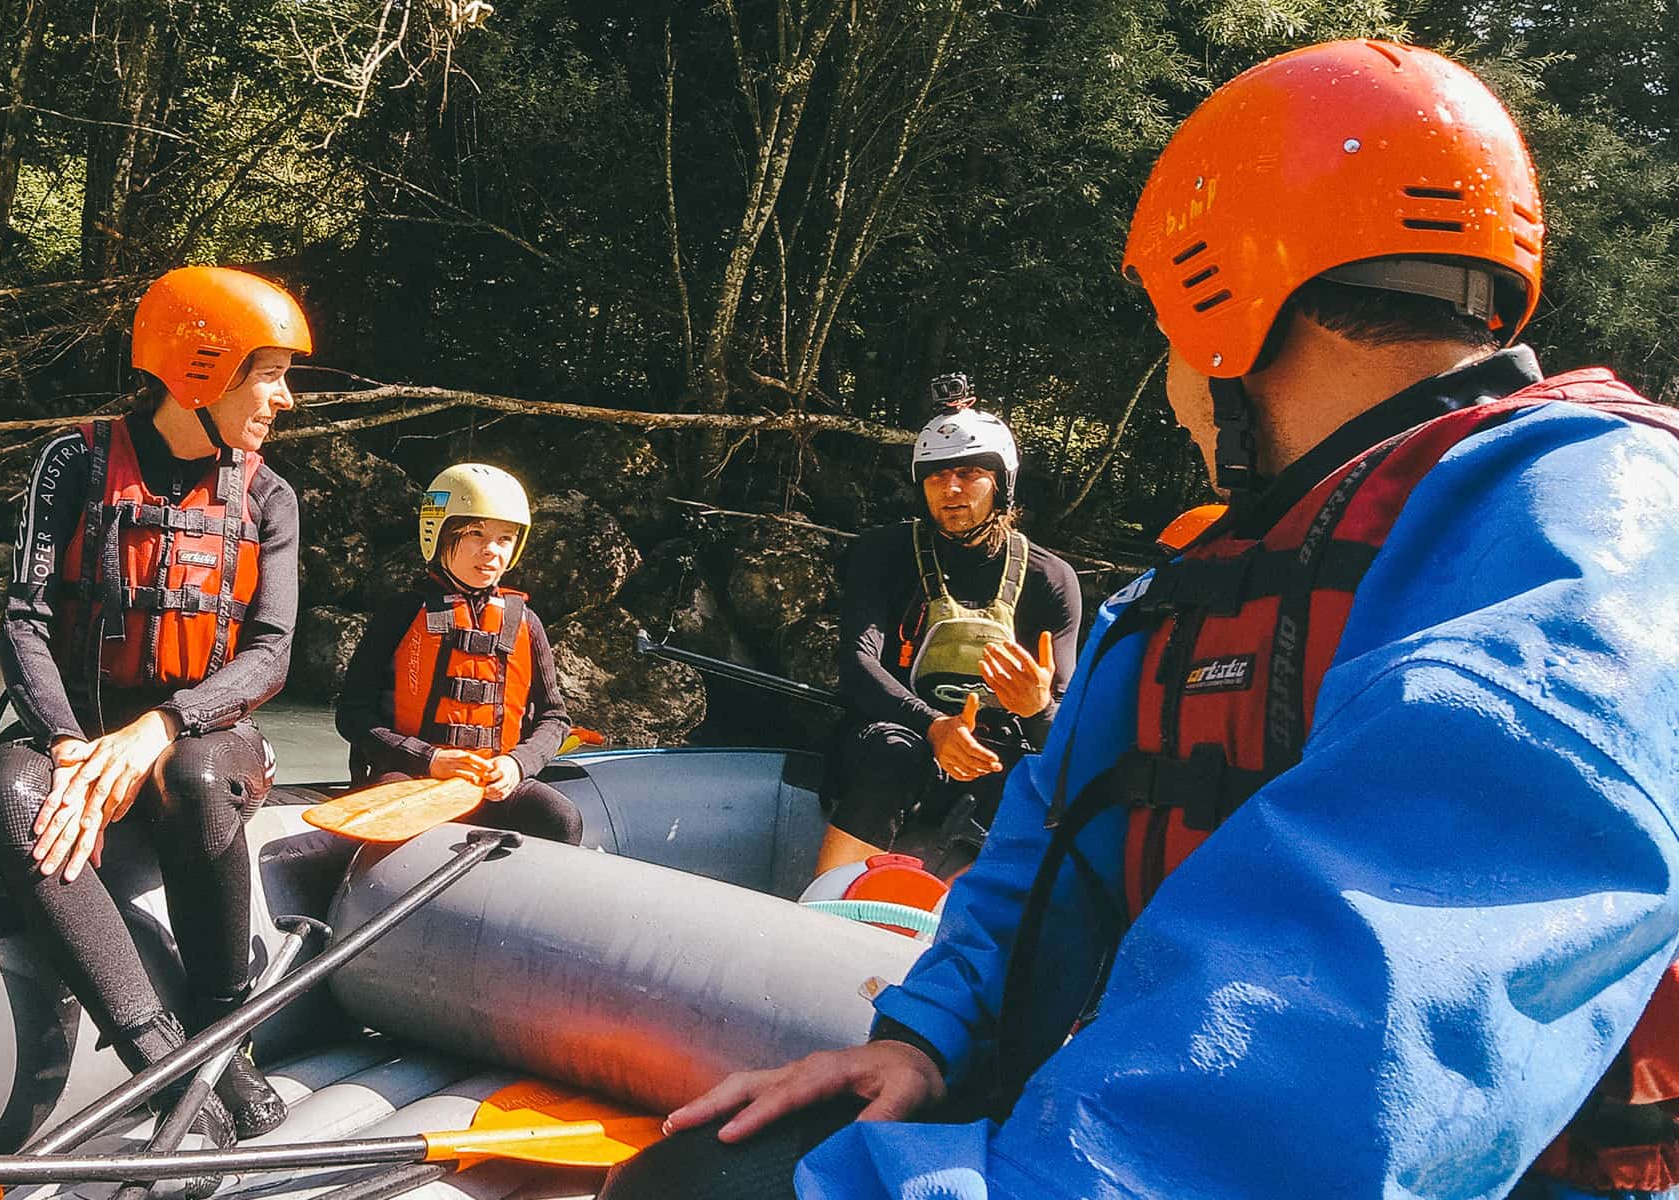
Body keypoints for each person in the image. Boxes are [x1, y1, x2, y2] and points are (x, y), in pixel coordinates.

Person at [601, 39, 1679, 1200]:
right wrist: (922, 1040)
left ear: (1232, 307)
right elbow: (1042, 851)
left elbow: (1370, 993)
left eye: (1168, 332)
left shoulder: (1594, 525)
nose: (1169, 389)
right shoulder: (1180, 593)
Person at [0, 266, 311, 1172]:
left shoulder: (269, 497)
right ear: (197, 368)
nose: (282, 398)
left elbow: (271, 654)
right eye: (266, 372)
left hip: (200, 728)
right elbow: (25, 621)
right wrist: (71, 746)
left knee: (196, 778)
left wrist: (162, 726)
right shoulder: (74, 460)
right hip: (75, 725)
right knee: (14, 792)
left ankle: (223, 1031)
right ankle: (165, 1067)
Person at [816, 376, 1085, 875]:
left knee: (1031, 793)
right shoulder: (882, 552)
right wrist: (934, 726)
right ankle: (826, 910)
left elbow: (1060, 727)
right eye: (937, 476)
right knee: (897, 754)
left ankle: (956, 924)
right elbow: (857, 664)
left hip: (993, 750)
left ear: (1001, 482)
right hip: (894, 734)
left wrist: (1037, 706)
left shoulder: (1051, 578)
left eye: (968, 473)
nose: (951, 488)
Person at [334, 463, 582, 845]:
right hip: (413, 774)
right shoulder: (400, 615)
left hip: (492, 782)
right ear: (438, 533)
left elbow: (555, 718)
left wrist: (518, 765)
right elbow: (352, 715)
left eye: (504, 539)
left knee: (560, 818)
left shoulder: (525, 622)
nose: (491, 552)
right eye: (475, 535)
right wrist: (429, 759)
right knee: (396, 823)